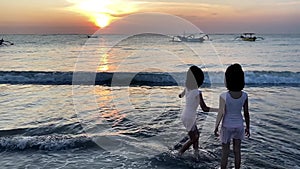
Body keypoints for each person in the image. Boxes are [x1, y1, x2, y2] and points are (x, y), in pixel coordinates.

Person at [214, 63, 250, 169]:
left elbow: (221, 113)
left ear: (227, 80)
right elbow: (246, 113)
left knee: (225, 152)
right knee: (237, 151)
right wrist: (247, 127)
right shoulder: (244, 95)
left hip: (226, 126)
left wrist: (216, 127)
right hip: (239, 126)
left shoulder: (224, 96)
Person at [178, 65, 218, 158]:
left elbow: (180, 95)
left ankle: (196, 152)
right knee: (194, 138)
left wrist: (181, 95)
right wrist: (219, 109)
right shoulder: (197, 92)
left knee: (197, 135)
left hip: (186, 115)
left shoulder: (187, 88)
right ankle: (180, 153)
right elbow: (204, 108)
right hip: (189, 117)